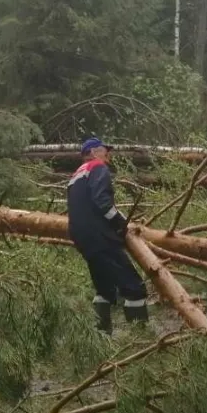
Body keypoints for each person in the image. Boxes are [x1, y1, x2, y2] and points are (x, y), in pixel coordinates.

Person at [66, 138, 149, 333]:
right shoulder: (98, 167)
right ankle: (140, 340)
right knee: (134, 287)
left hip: (81, 237)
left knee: (104, 288)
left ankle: (100, 341)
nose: (108, 155)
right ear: (94, 152)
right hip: (100, 236)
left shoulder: (75, 176)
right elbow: (102, 202)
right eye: (105, 151)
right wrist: (120, 224)